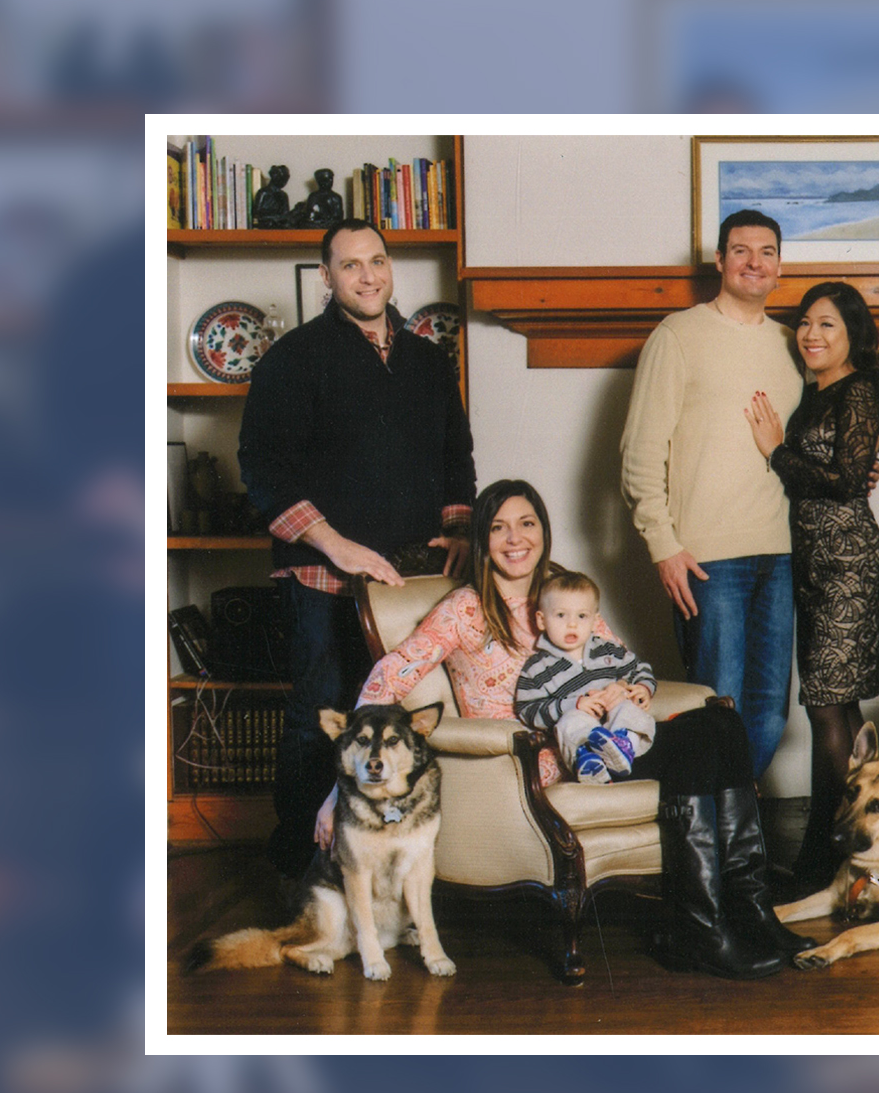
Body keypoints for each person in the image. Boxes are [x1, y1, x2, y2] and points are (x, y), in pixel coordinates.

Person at [325, 479, 813, 978]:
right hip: (543, 759)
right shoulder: (465, 609)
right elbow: (391, 674)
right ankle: (701, 930)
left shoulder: (562, 589)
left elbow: (617, 659)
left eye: (527, 524)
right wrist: (337, 792)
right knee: (702, 742)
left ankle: (749, 914)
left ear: (544, 531)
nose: (515, 539)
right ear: (482, 540)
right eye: (498, 528)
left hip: (605, 741)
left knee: (720, 722)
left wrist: (632, 691)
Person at [239, 217, 475, 880]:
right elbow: (260, 469)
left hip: (410, 582)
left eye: (377, 261)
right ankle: (299, 868)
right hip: (322, 575)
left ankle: (388, 868)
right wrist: (335, 544)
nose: (367, 276)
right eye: (350, 266)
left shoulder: (428, 359)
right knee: (322, 715)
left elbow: (456, 455)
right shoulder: (294, 358)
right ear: (326, 277)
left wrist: (458, 529)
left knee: (397, 723)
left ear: (390, 266)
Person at [620, 209, 804, 783]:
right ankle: (713, 858)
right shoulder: (678, 335)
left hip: (779, 553)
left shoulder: (793, 344)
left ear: (779, 266)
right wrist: (662, 546)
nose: (755, 261)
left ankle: (734, 841)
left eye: (767, 251)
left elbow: (808, 446)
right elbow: (639, 453)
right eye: (741, 250)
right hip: (706, 560)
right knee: (716, 711)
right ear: (720, 261)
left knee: (769, 716)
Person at [743, 280, 879, 894]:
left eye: (827, 324)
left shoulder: (860, 390)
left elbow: (846, 481)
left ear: (852, 334)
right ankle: (846, 854)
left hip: (848, 564)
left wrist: (777, 452)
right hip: (813, 564)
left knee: (827, 706)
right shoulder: (817, 393)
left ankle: (823, 858)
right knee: (840, 708)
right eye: (805, 322)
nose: (811, 334)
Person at [513, 570, 658, 784]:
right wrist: (574, 705)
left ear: (594, 621)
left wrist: (643, 688)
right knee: (569, 722)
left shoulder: (608, 650)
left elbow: (638, 668)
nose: (572, 624)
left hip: (616, 721)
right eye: (561, 615)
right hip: (582, 730)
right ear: (541, 620)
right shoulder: (537, 668)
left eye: (582, 616)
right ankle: (588, 761)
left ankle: (623, 745)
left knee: (629, 708)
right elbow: (527, 709)